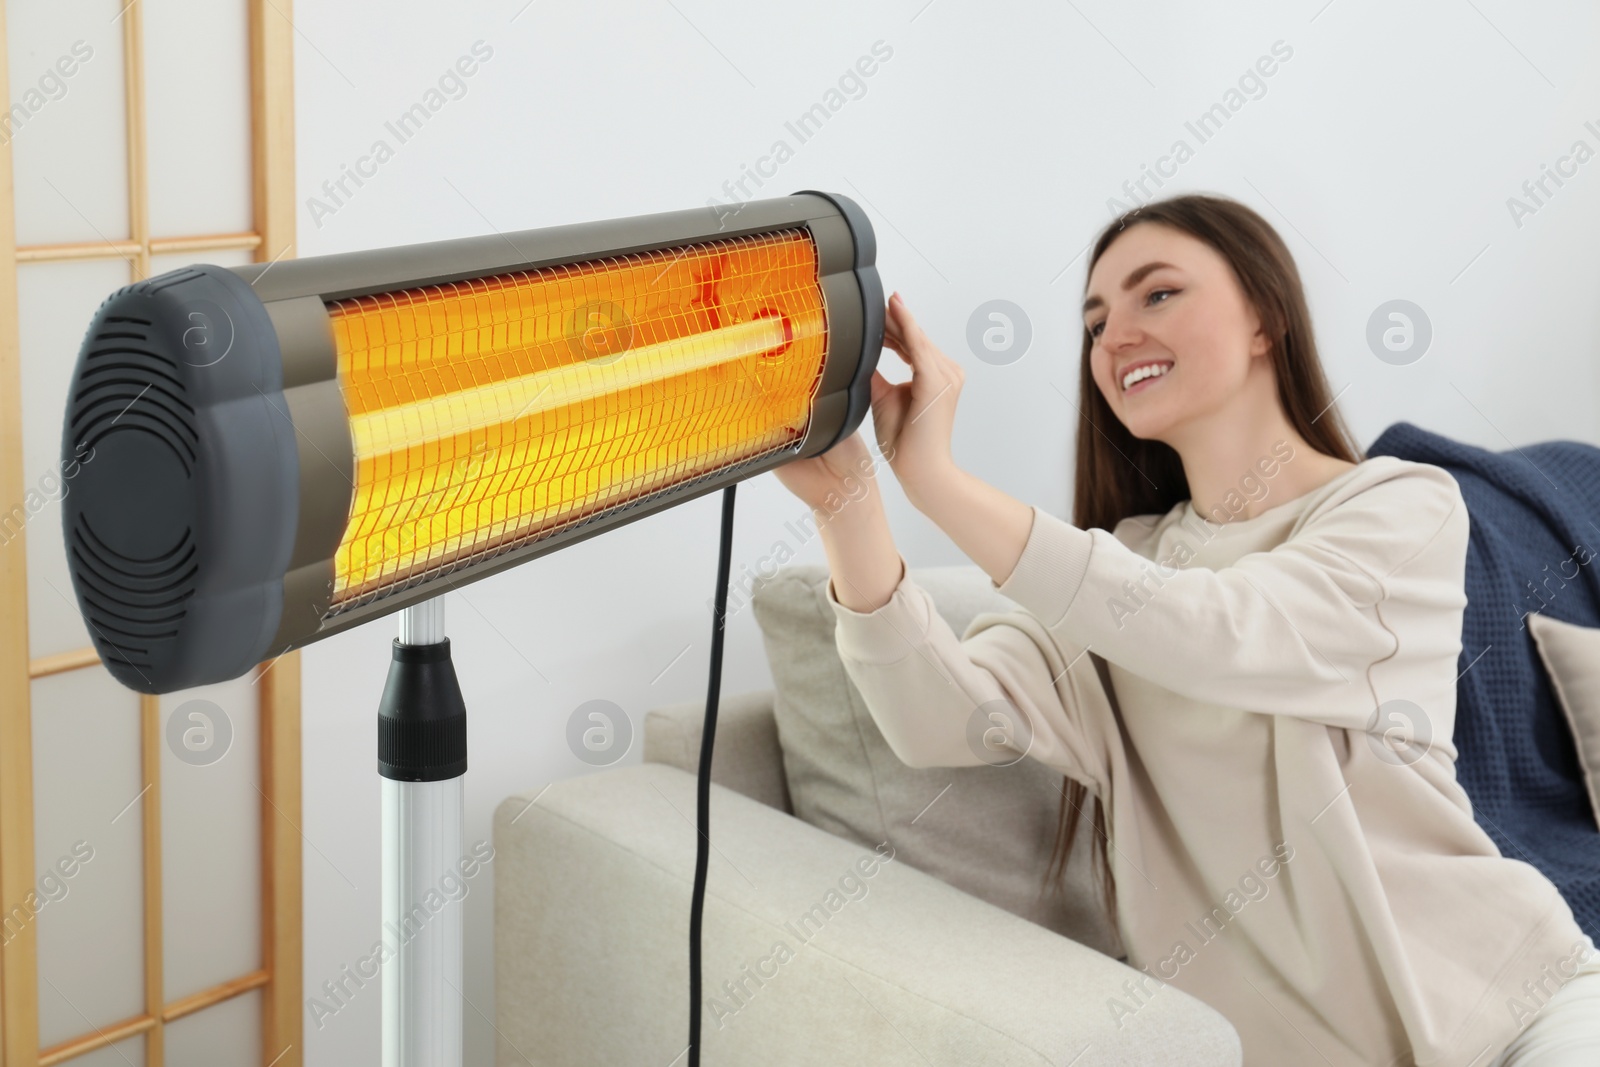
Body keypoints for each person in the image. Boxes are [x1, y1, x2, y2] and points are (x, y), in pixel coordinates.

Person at [772, 194, 1600, 1066]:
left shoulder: (1401, 505)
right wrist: (849, 506)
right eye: (1094, 322)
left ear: (1264, 318)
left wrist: (939, 482)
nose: (1114, 335)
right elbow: (935, 718)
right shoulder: (1122, 569)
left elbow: (1223, 632)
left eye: (1156, 294)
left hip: (1518, 1010)